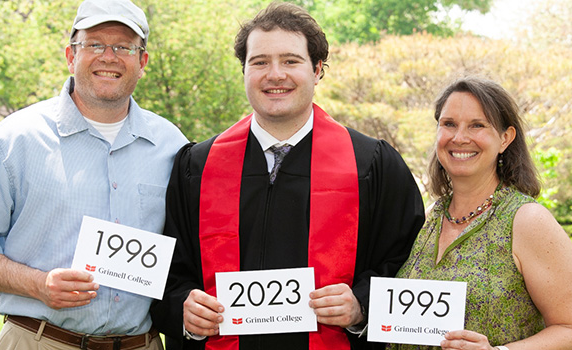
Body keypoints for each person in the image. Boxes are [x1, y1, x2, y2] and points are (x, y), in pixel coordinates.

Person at [149, 3, 425, 350]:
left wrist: (361, 306)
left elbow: (410, 264)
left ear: (318, 69)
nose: (275, 74)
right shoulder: (198, 166)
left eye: (291, 61)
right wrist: (182, 310)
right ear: (244, 71)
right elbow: (166, 272)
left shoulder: (371, 164)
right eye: (260, 62)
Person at [0, 0, 188, 349]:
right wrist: (38, 284)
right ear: (70, 55)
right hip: (40, 340)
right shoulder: (14, 140)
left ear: (142, 62)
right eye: (94, 44)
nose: (109, 56)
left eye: (124, 47)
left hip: (140, 343)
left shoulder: (172, 145)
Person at [388, 76, 572, 350]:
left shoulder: (528, 221)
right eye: (448, 124)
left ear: (505, 138)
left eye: (477, 125)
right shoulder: (429, 218)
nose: (459, 138)